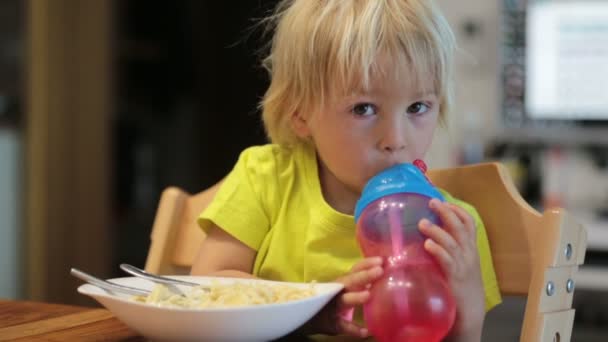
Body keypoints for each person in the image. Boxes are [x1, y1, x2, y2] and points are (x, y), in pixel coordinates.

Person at [191, 0, 501, 340]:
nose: (395, 140)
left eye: (417, 107)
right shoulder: (266, 179)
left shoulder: (453, 230)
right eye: (364, 108)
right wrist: (310, 308)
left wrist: (467, 305)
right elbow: (210, 283)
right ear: (300, 113)